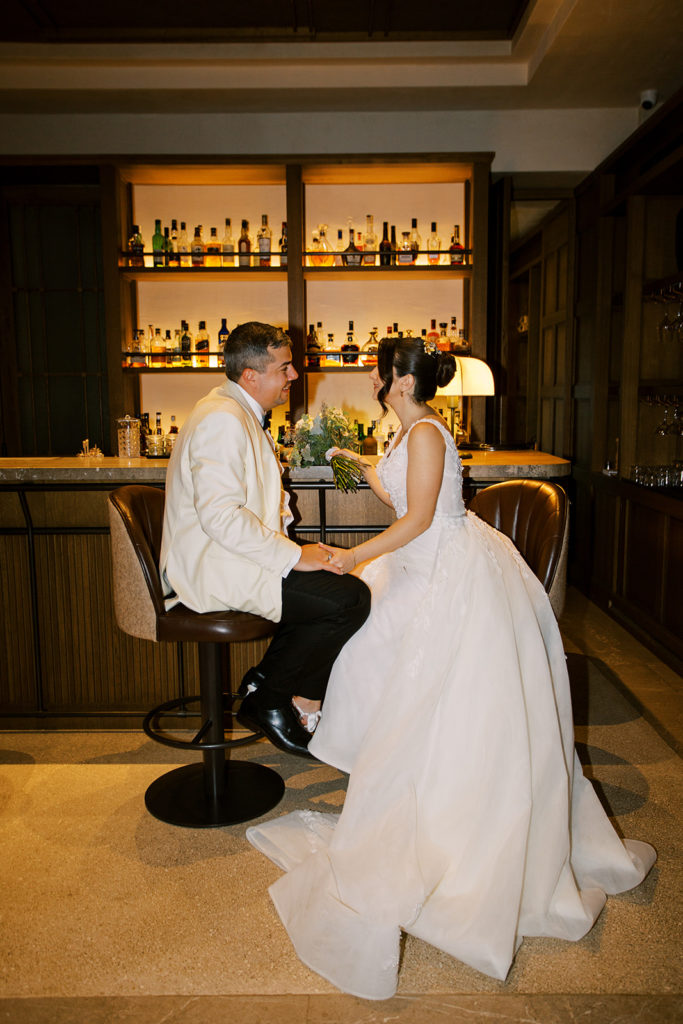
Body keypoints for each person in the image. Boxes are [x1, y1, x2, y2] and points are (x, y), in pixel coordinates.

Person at [246, 335, 656, 999]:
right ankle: (330, 725)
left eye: (378, 372)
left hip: (441, 568)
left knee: (379, 651)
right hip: (416, 561)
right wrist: (351, 460)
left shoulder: (427, 433)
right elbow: (394, 491)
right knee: (363, 645)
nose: (372, 380)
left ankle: (341, 734)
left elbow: (415, 520)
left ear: (400, 381)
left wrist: (353, 556)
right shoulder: (406, 429)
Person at [159, 321, 371, 758]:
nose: (294, 375)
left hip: (229, 557)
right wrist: (293, 555)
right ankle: (270, 701)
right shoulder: (222, 420)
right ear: (250, 375)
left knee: (331, 583)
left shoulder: (233, 410)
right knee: (349, 600)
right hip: (212, 568)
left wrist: (300, 554)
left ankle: (262, 682)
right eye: (284, 368)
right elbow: (220, 517)